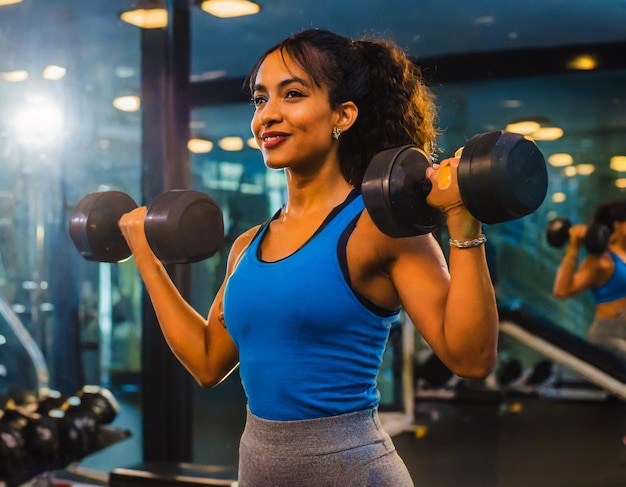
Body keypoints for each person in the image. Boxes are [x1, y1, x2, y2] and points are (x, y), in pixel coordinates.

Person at [118, 29, 499, 486]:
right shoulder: (247, 245)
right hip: (257, 470)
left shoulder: (379, 227)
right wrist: (144, 255)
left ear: (343, 114)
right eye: (260, 100)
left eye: (292, 94)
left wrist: (461, 218)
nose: (268, 116)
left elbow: (471, 359)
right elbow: (206, 361)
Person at [553, 199, 626, 361]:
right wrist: (573, 248)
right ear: (618, 225)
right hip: (610, 334)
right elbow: (562, 290)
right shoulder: (600, 261)